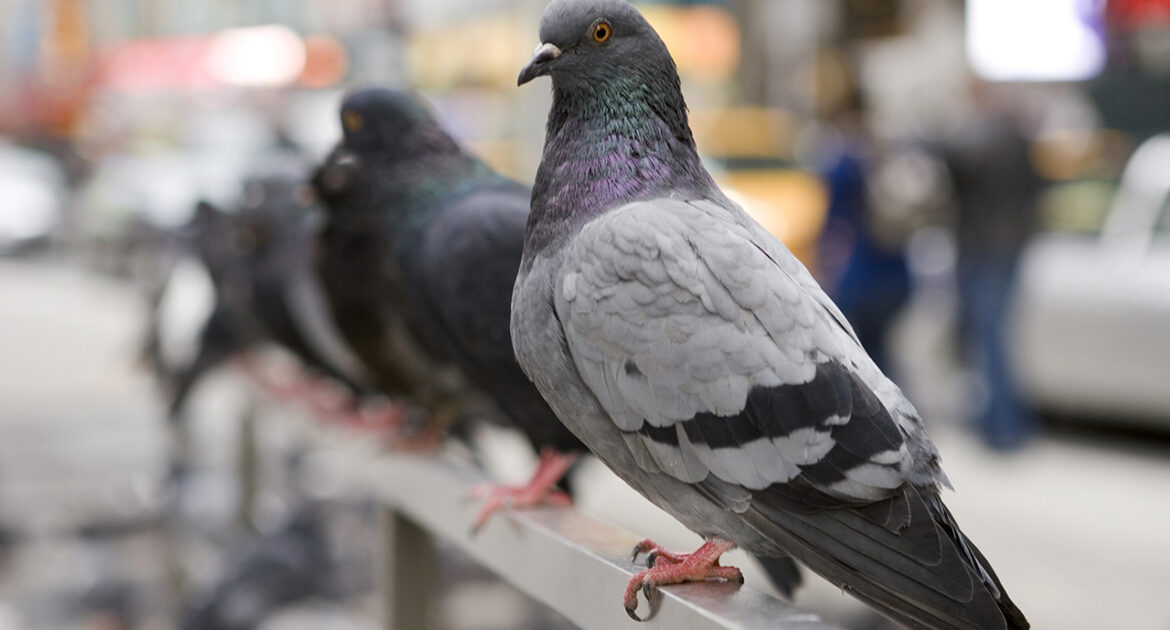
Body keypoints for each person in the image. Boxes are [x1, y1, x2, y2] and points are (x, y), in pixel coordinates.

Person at [943, 83, 1041, 450]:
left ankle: (1003, 426)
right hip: (1008, 247)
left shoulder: (976, 138)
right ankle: (997, 419)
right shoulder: (1018, 139)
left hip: (984, 248)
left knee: (988, 338)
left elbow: (953, 172)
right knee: (996, 336)